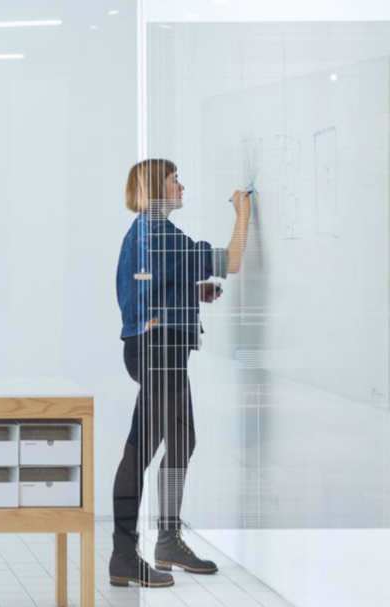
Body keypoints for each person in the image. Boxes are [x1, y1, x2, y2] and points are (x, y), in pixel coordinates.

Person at [110, 159, 252, 588]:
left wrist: (192, 293)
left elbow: (147, 287)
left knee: (181, 438)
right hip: (159, 349)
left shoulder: (144, 232)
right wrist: (243, 214)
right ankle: (123, 555)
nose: (182, 186)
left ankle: (167, 541)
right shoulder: (162, 235)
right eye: (175, 180)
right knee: (142, 448)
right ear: (157, 186)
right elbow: (231, 261)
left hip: (150, 346)